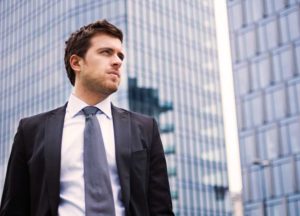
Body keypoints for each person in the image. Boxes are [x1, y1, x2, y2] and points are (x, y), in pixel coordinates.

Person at [0, 19, 174, 216]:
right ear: (76, 62)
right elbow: (13, 208)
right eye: (106, 52)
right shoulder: (31, 130)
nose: (117, 61)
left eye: (120, 56)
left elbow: (161, 209)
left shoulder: (145, 128)